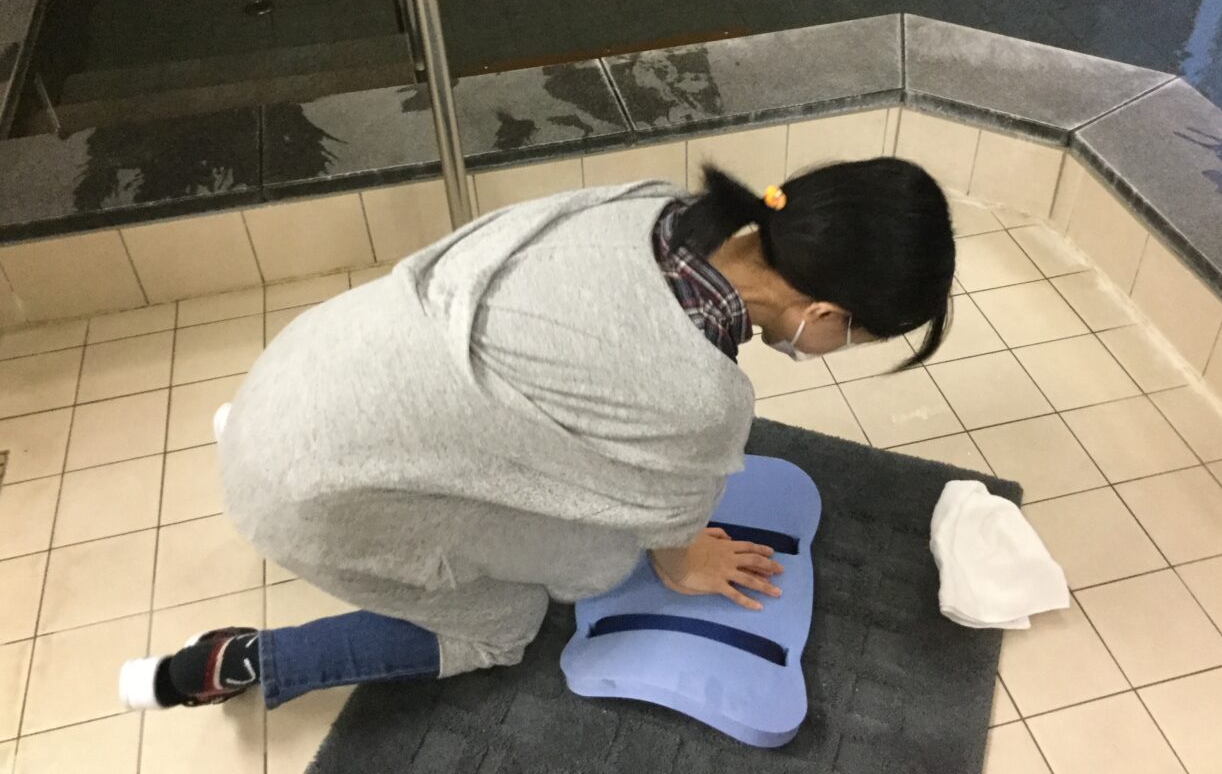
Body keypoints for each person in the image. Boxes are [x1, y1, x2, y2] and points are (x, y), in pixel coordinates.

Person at [118, 158, 955, 711]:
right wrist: (690, 558)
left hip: (300, 374)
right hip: (306, 491)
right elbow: (668, 543)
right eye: (857, 339)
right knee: (502, 626)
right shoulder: (700, 399)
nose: (840, 350)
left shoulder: (650, 205)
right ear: (824, 313)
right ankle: (246, 660)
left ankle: (268, 444)